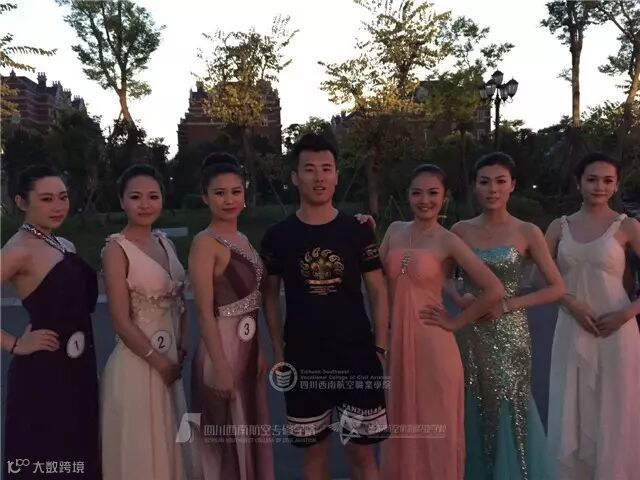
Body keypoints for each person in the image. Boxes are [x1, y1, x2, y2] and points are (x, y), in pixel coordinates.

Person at [260, 133, 390, 480]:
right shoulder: (277, 236)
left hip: (357, 358)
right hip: (303, 360)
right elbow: (269, 295)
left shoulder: (357, 231)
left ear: (336, 175)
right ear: (295, 177)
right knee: (314, 457)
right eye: (309, 169)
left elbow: (377, 290)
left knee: (362, 456)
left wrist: (380, 347)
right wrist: (278, 350)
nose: (318, 177)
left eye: (326, 168)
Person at [380, 164, 505, 480]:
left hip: (433, 346)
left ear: (445, 197)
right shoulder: (394, 230)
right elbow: (375, 279)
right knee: (401, 422)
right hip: (398, 344)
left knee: (437, 428)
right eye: (417, 193)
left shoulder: (448, 240)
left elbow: (494, 289)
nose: (425, 200)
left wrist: (457, 322)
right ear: (408, 195)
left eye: (433, 193)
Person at [447, 152, 563, 479]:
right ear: (474, 186)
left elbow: (557, 287)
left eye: (500, 181)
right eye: (484, 182)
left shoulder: (528, 231)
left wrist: (507, 306)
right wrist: (460, 298)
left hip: (510, 334)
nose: (492, 189)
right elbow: (443, 277)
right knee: (472, 402)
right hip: (470, 330)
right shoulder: (459, 231)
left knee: (509, 405)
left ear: (512, 185)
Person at [1, 164, 100, 479]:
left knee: (79, 454)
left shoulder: (63, 244)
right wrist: (15, 344)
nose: (58, 206)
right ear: (21, 202)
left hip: (79, 368)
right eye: (46, 199)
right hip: (43, 374)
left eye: (63, 197)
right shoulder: (18, 251)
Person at [545, 152, 640, 479]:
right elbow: (543, 276)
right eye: (592, 179)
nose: (599, 186)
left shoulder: (627, 226)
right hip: (571, 325)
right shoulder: (558, 227)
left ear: (616, 186)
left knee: (614, 406)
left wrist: (627, 313)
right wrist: (569, 303)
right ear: (578, 182)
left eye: (607, 180)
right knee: (570, 403)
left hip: (615, 329)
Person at [101, 164, 196, 480]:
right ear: (121, 201)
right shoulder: (116, 250)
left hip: (171, 362)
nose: (145, 204)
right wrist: (159, 363)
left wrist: (181, 345)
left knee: (170, 447)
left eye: (153, 196)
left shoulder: (165, 242)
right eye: (135, 197)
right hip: (138, 364)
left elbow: (180, 301)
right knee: (142, 454)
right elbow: (120, 320)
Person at [189, 153, 274, 480]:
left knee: (248, 435)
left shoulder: (245, 241)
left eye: (236, 192)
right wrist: (220, 365)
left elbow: (254, 301)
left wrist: (260, 349)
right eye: (220, 193)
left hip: (248, 349)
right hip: (219, 352)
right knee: (224, 445)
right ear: (205, 197)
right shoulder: (204, 243)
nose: (229, 200)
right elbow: (203, 311)